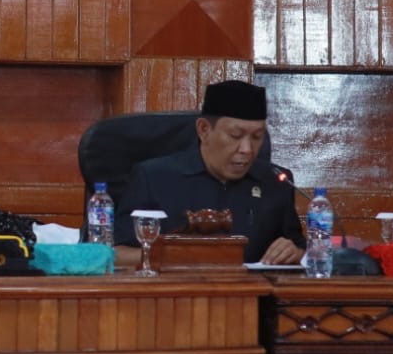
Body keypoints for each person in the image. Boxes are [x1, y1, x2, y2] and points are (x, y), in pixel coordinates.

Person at [115, 80, 304, 265]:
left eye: (257, 137)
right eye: (235, 136)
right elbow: (117, 253)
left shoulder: (275, 181)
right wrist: (175, 257)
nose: (247, 149)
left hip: (252, 286)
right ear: (204, 129)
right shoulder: (153, 177)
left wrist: (295, 253)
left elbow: (300, 249)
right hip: (176, 285)